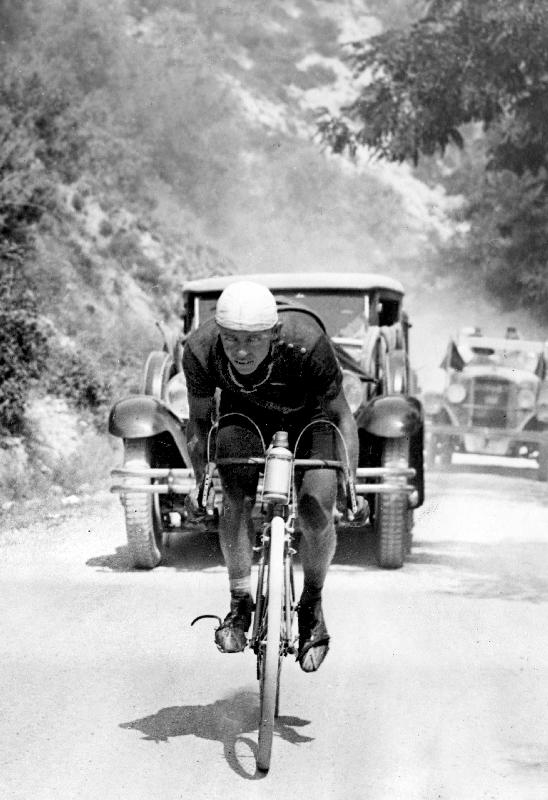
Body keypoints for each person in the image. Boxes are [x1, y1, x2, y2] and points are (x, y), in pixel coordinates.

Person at [182, 280, 360, 673]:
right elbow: (198, 424)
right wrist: (201, 479)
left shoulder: (308, 342)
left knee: (317, 510)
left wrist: (351, 481)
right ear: (219, 335)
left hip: (309, 419)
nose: (241, 351)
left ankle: (311, 605)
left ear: (275, 335)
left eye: (253, 340)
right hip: (242, 416)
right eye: (231, 340)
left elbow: (342, 415)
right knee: (235, 497)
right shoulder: (199, 349)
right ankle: (239, 603)